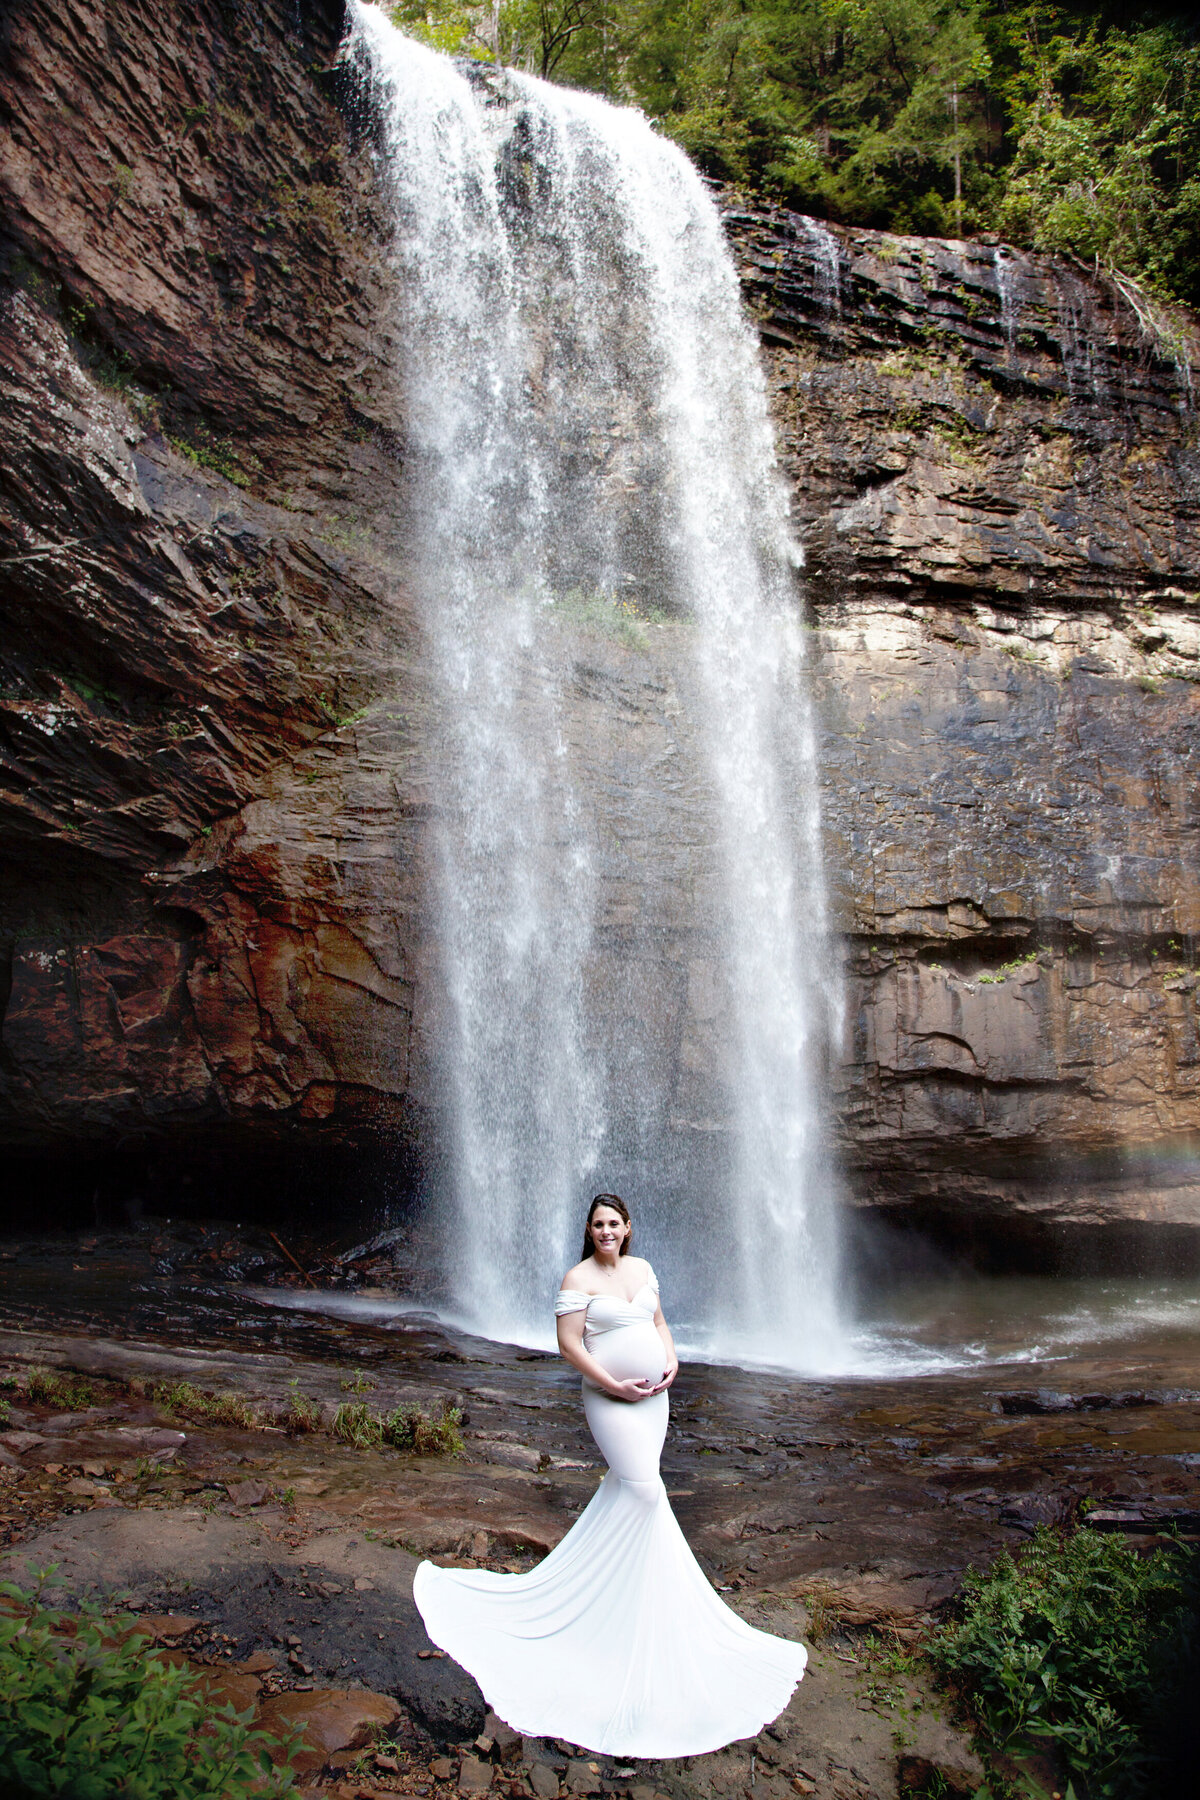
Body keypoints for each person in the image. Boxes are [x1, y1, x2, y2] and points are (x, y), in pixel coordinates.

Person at [412, 1194, 807, 1757]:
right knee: (646, 1492)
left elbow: (661, 1323)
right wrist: (613, 1384)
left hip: (655, 1399)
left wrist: (672, 1359)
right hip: (609, 1398)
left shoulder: (644, 1270)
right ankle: (600, 1613)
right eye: (597, 1224)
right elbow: (569, 1345)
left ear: (628, 1228)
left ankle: (632, 1608)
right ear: (589, 1230)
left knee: (632, 1491)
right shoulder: (577, 1277)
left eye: (613, 1224)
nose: (605, 1231)